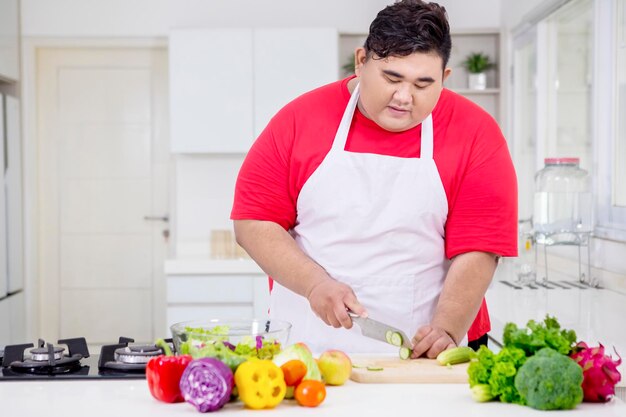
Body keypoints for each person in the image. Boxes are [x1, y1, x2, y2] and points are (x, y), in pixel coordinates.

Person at [231, 0, 517, 357]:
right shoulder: (298, 121)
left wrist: (446, 328)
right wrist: (315, 284)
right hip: (308, 348)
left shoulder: (476, 134)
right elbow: (253, 223)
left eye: (422, 84)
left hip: (425, 353)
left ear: (444, 78)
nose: (403, 97)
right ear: (361, 61)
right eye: (392, 78)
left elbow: (480, 247)